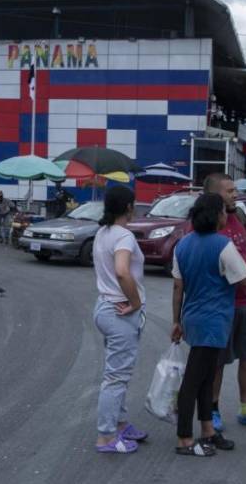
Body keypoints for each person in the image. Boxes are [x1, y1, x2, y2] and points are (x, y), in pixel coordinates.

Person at [171, 193, 246, 457]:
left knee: (206, 377)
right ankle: (184, 438)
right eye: (223, 212)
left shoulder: (183, 244)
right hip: (214, 320)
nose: (225, 216)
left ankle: (208, 430)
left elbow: (177, 286)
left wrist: (176, 320)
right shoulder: (223, 245)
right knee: (193, 380)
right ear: (217, 215)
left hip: (192, 318)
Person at [203, 173, 246, 434]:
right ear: (213, 195)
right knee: (218, 361)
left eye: (235, 190)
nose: (235, 194)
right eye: (229, 191)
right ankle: (213, 409)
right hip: (221, 305)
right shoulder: (207, 222)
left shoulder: (241, 216)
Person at [92, 185, 147, 454]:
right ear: (128, 207)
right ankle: (106, 436)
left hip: (104, 307)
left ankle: (120, 423)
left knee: (118, 374)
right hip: (120, 311)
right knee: (116, 377)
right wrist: (136, 302)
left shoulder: (102, 233)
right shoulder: (124, 236)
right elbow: (123, 272)